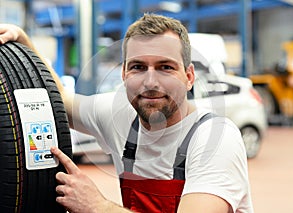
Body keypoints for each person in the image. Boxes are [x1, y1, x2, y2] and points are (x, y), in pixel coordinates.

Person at [0, 13, 253, 213]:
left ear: (188, 77)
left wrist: (97, 206)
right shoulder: (120, 116)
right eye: (138, 67)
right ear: (124, 75)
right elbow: (59, 103)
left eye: (165, 67)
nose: (151, 81)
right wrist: (24, 46)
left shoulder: (214, 138)